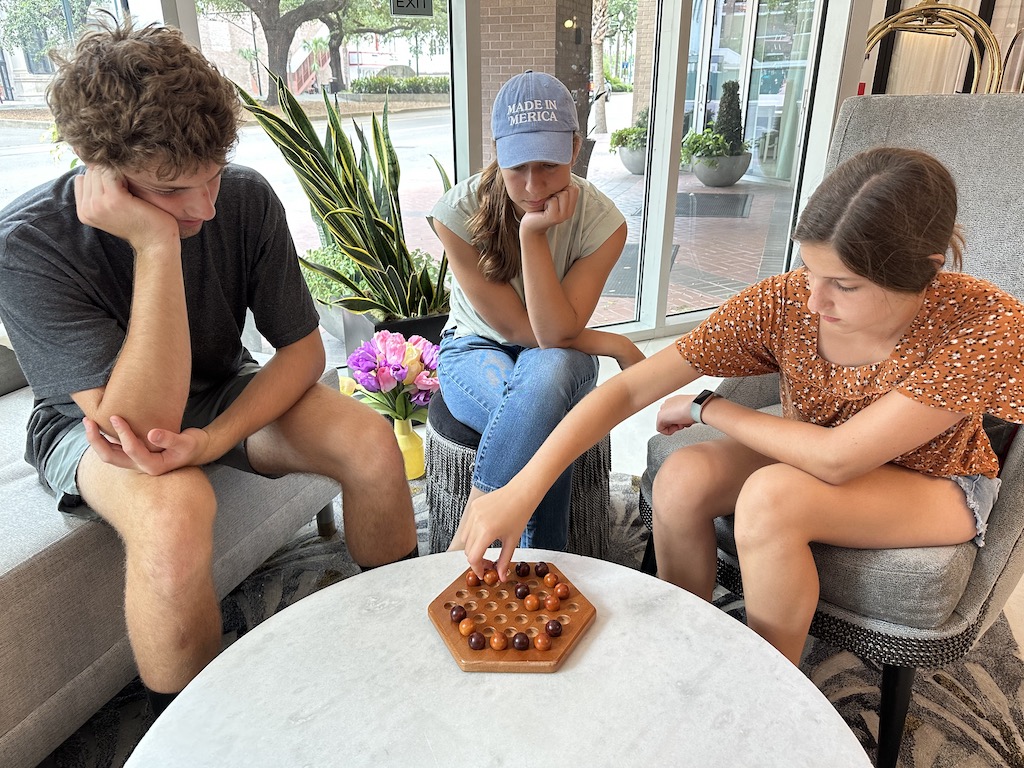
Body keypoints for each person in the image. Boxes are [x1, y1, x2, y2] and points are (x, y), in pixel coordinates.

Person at [456, 146, 1024, 665]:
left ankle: (764, 688)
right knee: (681, 477)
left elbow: (837, 460)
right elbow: (630, 388)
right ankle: (687, 649)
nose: (814, 300)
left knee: (770, 501)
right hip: (813, 451)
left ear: (924, 269)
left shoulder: (980, 323)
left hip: (934, 482)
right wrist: (519, 489)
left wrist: (710, 407)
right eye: (809, 271)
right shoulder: (786, 301)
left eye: (844, 286)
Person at [0, 17, 417, 715]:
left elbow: (304, 352)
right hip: (91, 420)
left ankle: (399, 643)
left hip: (222, 390)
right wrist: (156, 248)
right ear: (99, 166)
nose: (203, 206)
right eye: (170, 192)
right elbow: (137, 425)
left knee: (371, 442)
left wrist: (216, 439)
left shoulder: (246, 198)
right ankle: (198, 732)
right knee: (174, 510)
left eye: (212, 174)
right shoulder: (27, 244)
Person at [428, 70, 644, 552]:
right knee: (546, 419)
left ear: (574, 147)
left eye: (547, 163)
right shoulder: (456, 215)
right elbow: (526, 330)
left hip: (557, 353)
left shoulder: (605, 224)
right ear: (498, 153)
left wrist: (533, 234)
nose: (532, 185)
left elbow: (553, 335)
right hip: (473, 348)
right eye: (516, 166)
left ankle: (475, 533)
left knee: (549, 373)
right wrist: (613, 343)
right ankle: (542, 567)